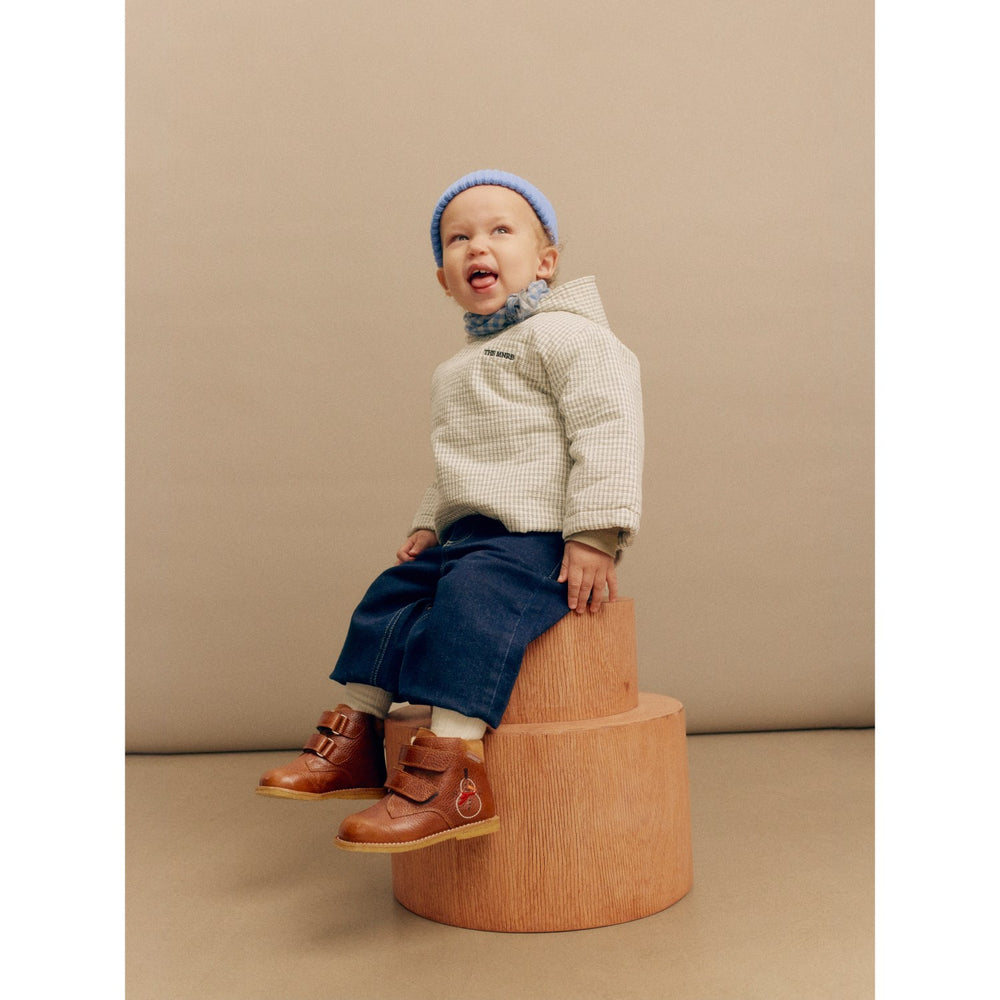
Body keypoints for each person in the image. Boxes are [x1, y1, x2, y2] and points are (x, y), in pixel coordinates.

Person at [257, 170, 644, 854]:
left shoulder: (568, 336)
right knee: (392, 595)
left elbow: (609, 428)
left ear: (546, 262)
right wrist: (429, 521)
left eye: (500, 230)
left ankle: (452, 772)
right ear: (445, 279)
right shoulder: (458, 367)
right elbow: (458, 460)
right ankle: (358, 734)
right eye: (458, 239)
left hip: (536, 536)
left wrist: (595, 533)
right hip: (467, 535)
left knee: (472, 605)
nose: (477, 247)